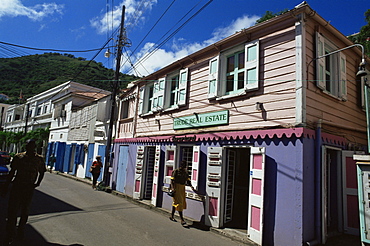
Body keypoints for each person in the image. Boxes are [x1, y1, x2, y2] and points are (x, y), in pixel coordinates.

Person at [2, 139, 46, 244]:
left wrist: (37, 183)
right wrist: (6, 186)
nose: (29, 147)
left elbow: (42, 172)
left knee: (24, 211)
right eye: (27, 145)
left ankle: (20, 231)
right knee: (12, 211)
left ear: (34, 147)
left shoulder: (39, 159)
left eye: (31, 145)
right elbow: (12, 172)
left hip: (28, 188)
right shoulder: (19, 157)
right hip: (17, 186)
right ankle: (10, 233)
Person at [169, 160, 196, 227]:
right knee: (179, 203)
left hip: (182, 188)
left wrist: (191, 186)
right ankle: (182, 220)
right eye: (184, 165)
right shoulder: (176, 171)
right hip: (176, 187)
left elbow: (188, 180)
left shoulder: (185, 172)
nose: (184, 167)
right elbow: (172, 180)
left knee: (178, 202)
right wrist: (172, 188)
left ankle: (172, 215)